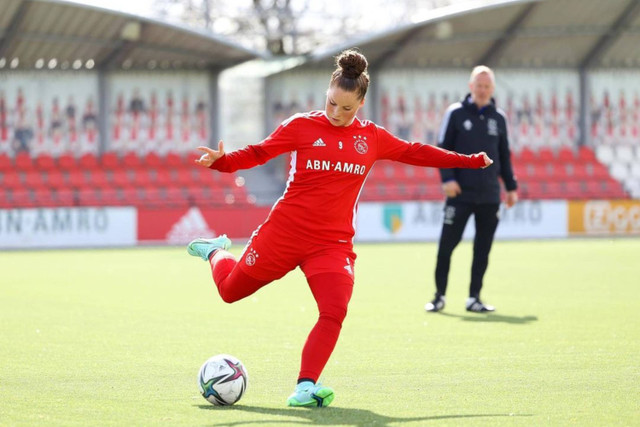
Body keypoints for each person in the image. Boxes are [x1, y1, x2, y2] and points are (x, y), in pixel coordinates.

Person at [187, 49, 493, 408]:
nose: (336, 113)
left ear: (361, 103)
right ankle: (214, 250)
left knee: (334, 310)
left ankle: (305, 386)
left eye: (346, 108)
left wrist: (468, 162)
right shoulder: (301, 125)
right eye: (332, 103)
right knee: (229, 292)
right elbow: (258, 153)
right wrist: (223, 163)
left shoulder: (372, 138)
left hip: (331, 244)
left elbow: (416, 152)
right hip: (283, 233)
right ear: (327, 93)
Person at [425, 65, 518, 314]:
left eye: (487, 86)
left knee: (482, 248)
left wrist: (511, 187)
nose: (483, 90)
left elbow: (503, 156)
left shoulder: (499, 118)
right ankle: (439, 296)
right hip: (460, 193)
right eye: (479, 85)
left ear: (493, 89)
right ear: (471, 87)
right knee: (447, 246)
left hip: (489, 195)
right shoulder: (454, 114)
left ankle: (474, 298)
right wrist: (447, 179)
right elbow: (442, 148)